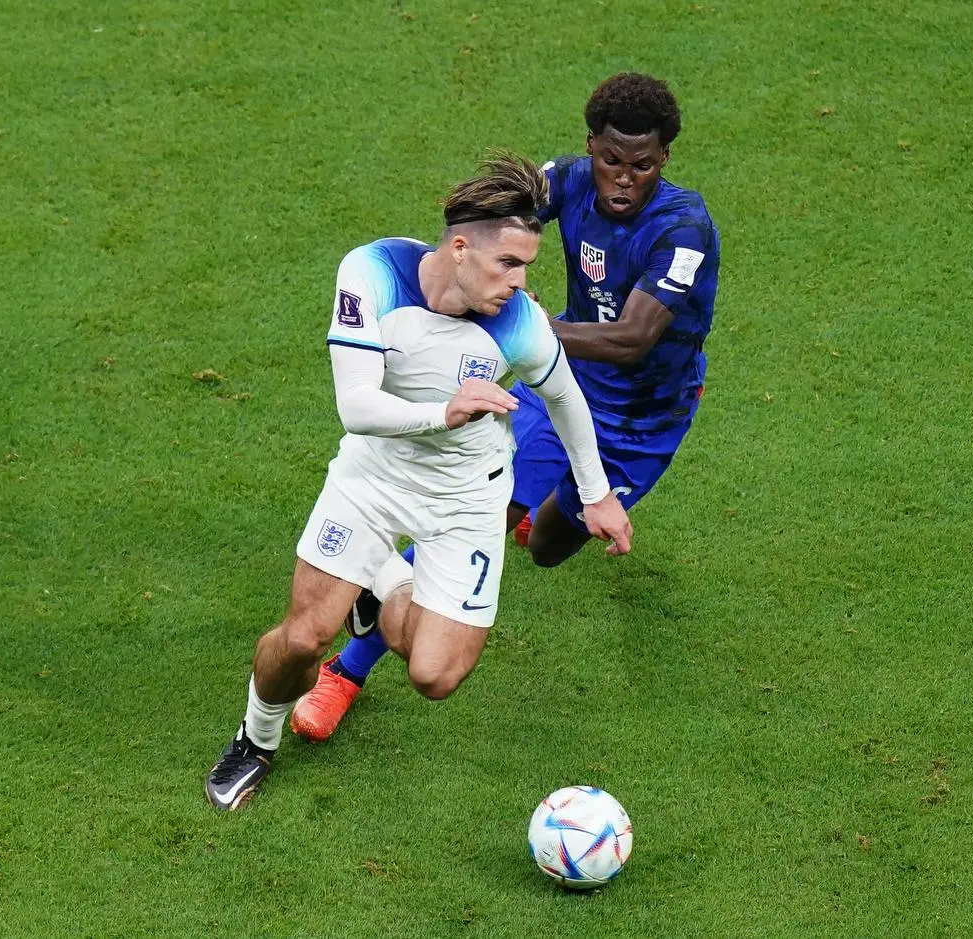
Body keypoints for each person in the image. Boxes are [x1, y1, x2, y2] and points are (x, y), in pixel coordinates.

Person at [293, 72, 719, 743]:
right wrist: (448, 283)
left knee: (547, 548)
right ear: (591, 147)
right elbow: (488, 227)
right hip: (562, 387)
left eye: (641, 165)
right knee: (483, 502)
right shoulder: (568, 181)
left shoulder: (682, 230)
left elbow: (634, 338)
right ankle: (347, 666)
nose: (622, 178)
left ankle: (538, 508)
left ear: (664, 158)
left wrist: (529, 334)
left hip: (645, 419)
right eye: (610, 160)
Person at [204, 152, 632, 810]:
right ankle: (254, 741)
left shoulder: (519, 323)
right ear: (460, 248)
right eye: (508, 264)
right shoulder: (372, 271)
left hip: (467, 495)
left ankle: (380, 581)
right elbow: (357, 407)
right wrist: (446, 410)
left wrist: (596, 492)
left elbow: (568, 398)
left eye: (527, 267)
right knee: (304, 637)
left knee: (436, 673)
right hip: (374, 477)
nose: (521, 283)